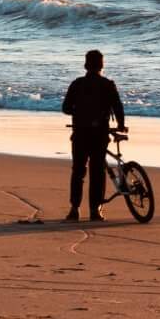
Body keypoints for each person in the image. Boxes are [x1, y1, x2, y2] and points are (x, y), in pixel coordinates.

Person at [60, 49, 127, 222]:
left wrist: (80, 113)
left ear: (85, 65)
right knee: (97, 172)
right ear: (102, 66)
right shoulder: (108, 84)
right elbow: (118, 107)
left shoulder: (77, 84)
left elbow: (66, 108)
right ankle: (95, 210)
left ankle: (74, 209)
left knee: (78, 171)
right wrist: (120, 125)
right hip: (99, 134)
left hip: (80, 132)